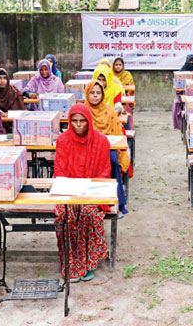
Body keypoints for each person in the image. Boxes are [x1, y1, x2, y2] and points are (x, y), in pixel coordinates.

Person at [54, 104, 111, 282]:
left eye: (82, 121)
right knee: (66, 215)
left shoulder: (101, 141)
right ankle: (70, 263)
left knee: (88, 213)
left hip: (92, 193)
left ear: (89, 121)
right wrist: (72, 197)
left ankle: (87, 263)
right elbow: (60, 174)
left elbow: (104, 173)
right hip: (67, 194)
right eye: (74, 121)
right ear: (69, 122)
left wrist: (85, 195)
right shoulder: (63, 141)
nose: (78, 125)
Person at [84, 81, 130, 215]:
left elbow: (117, 132)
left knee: (113, 162)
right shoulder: (83, 111)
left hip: (107, 148)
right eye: (92, 93)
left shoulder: (109, 111)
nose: (95, 96)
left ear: (103, 93)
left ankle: (117, 202)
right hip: (87, 148)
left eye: (98, 93)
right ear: (87, 94)